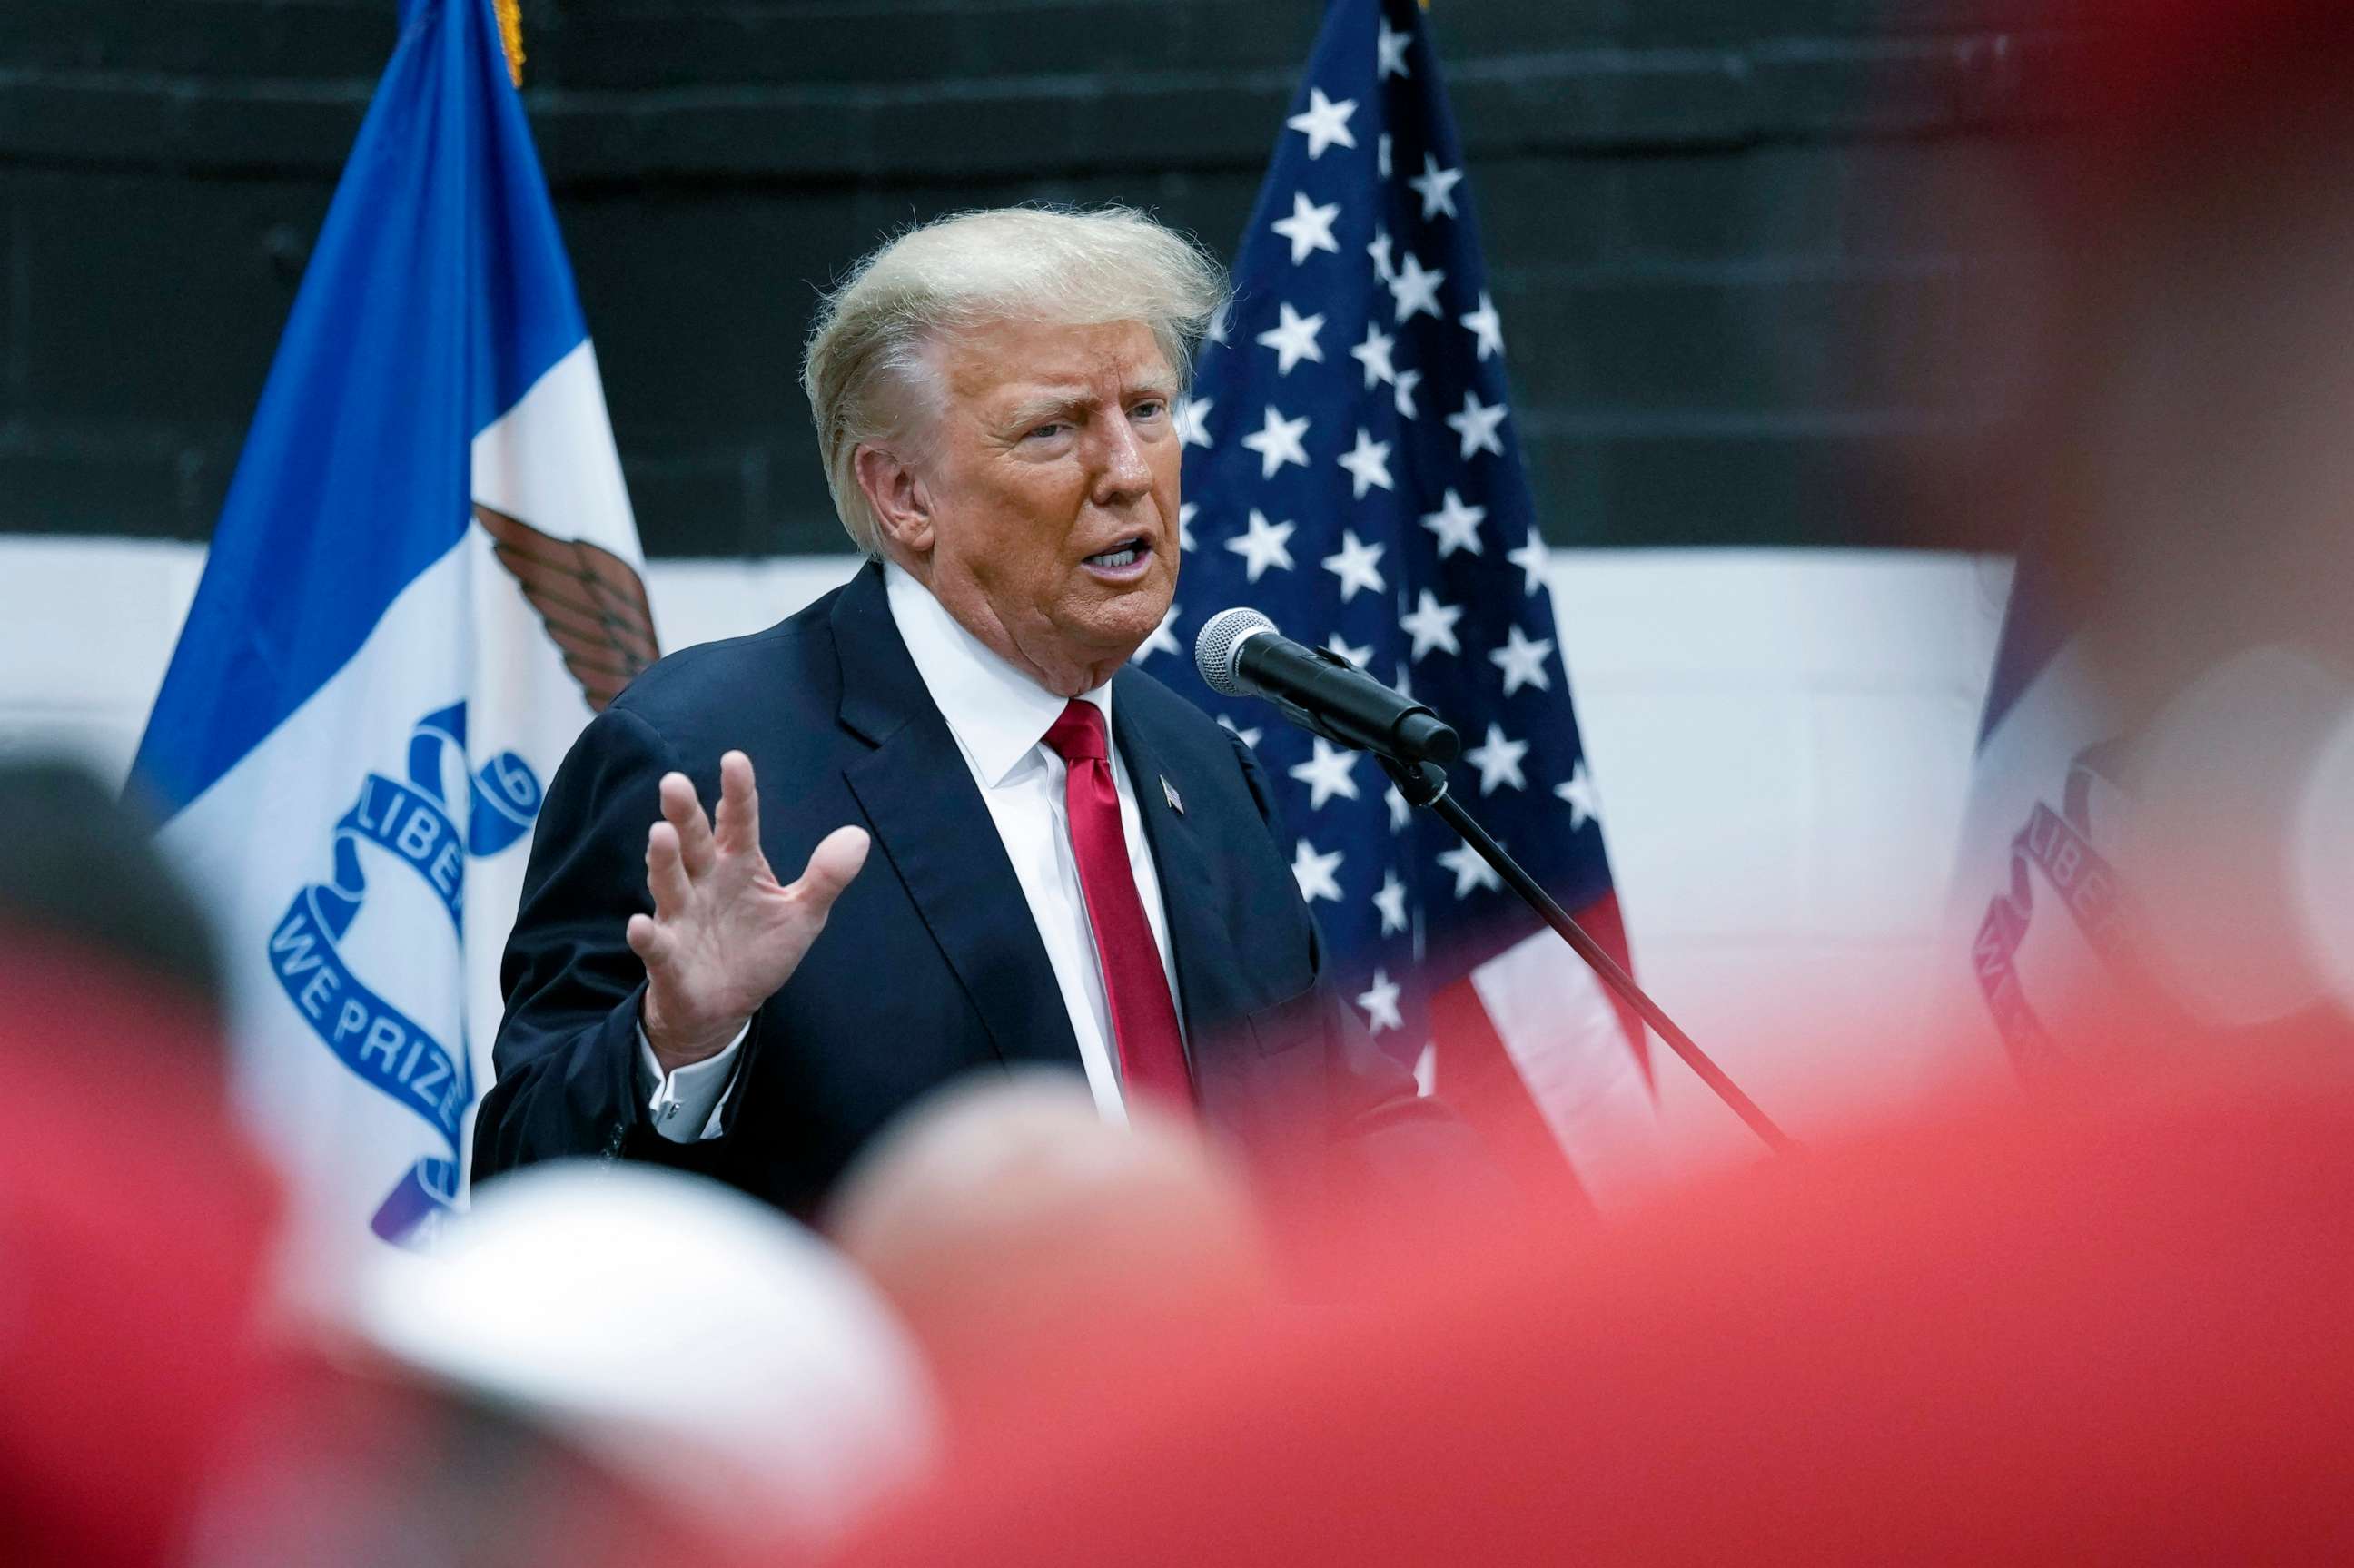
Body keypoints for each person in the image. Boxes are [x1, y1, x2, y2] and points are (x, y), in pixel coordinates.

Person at [472, 206, 1477, 1222]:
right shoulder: (706, 759)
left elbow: (1331, 1117)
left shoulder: (1197, 764)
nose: (1129, 470)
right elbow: (525, 1192)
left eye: (1149, 408)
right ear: (905, 494)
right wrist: (678, 1040)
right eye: (1054, 428)